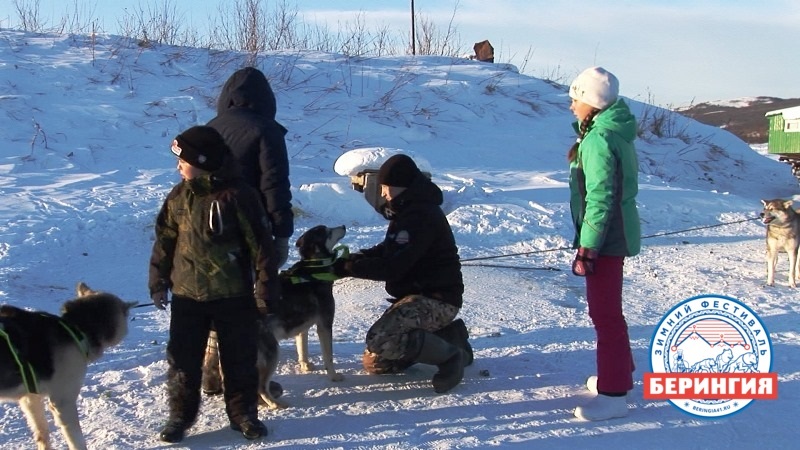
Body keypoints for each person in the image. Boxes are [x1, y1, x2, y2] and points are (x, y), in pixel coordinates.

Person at [148, 125, 280, 442]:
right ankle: (179, 416)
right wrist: (158, 279)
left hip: (233, 295)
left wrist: (263, 290)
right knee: (182, 361)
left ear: (203, 161)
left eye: (183, 160)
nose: (178, 167)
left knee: (239, 360)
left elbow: (262, 246)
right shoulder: (179, 196)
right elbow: (164, 240)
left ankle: (244, 414)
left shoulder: (239, 196)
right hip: (187, 296)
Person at [333, 154, 473, 394]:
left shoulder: (420, 216)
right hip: (416, 296)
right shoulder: (408, 211)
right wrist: (357, 258)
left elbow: (394, 266)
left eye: (386, 187)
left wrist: (348, 269)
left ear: (402, 186)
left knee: (380, 341)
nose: (384, 193)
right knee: (377, 364)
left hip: (436, 299)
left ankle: (450, 357)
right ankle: (449, 337)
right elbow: (390, 249)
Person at [566, 67, 640, 421]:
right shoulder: (611, 132)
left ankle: (613, 395)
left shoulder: (598, 140)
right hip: (614, 234)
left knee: (605, 315)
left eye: (575, 98)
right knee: (609, 313)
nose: (571, 106)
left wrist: (588, 246)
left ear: (592, 103)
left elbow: (600, 195)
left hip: (605, 239)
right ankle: (619, 375)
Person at [207, 67, 294, 268]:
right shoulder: (267, 130)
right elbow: (274, 184)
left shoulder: (211, 126)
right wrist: (282, 235)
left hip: (209, 220)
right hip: (250, 222)